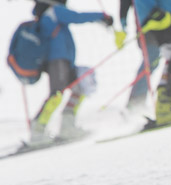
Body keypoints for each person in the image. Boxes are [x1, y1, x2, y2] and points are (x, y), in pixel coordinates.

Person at [29, 0, 113, 143]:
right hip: (57, 60)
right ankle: (37, 131)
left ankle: (67, 126)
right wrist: (102, 16)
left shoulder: (46, 14)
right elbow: (76, 17)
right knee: (56, 94)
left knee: (79, 87)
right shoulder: (54, 11)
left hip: (63, 60)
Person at [116, 0, 171, 113]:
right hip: (150, 26)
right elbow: (125, 3)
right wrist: (123, 23)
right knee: (152, 60)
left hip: (170, 23)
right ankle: (135, 102)